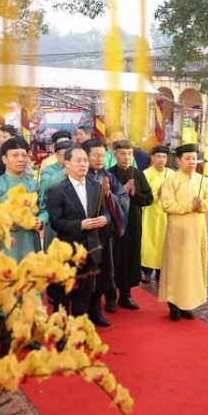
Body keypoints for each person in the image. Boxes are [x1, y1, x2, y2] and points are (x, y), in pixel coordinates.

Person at [46, 146, 112, 324]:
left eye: (85, 160)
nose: (83, 164)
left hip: (91, 248)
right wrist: (80, 225)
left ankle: (77, 333)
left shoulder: (95, 186)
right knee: (63, 295)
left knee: (84, 294)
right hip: (67, 250)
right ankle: (60, 335)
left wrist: (104, 219)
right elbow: (56, 222)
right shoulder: (57, 190)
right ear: (67, 163)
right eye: (78, 160)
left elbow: (105, 211)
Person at [158, 144, 208, 321]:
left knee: (193, 267)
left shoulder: (202, 180)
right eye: (187, 159)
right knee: (177, 268)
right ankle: (174, 305)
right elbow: (167, 205)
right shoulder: (171, 181)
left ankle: (188, 304)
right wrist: (189, 206)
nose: (191, 162)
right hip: (178, 232)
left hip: (197, 230)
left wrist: (201, 206)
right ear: (178, 160)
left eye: (193, 158)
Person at [83, 138, 129, 322]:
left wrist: (109, 195)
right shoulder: (79, 177)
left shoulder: (107, 177)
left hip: (103, 236)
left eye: (102, 155)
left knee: (102, 274)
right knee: (85, 275)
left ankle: (95, 309)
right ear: (85, 156)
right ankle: (81, 311)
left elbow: (123, 198)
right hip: (83, 235)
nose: (100, 159)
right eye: (96, 155)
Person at [107, 140, 154, 310]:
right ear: (115, 154)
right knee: (113, 259)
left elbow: (149, 199)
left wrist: (134, 195)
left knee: (130, 257)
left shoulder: (139, 174)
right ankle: (111, 296)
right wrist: (122, 192)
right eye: (122, 153)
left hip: (133, 223)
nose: (126, 157)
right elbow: (104, 201)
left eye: (129, 154)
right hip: (115, 224)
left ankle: (125, 295)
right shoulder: (108, 174)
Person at [0, 137, 43, 261]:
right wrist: (11, 222)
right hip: (5, 243)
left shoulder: (34, 185)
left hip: (31, 241)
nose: (21, 159)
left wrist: (41, 221)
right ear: (4, 159)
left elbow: (45, 209)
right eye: (15, 155)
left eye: (24, 155)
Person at [141, 145, 174, 283]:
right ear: (152, 158)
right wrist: (157, 194)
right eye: (158, 156)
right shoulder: (145, 174)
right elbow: (142, 196)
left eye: (164, 157)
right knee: (149, 242)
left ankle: (162, 271)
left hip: (167, 214)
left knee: (165, 243)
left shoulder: (172, 174)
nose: (161, 160)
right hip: (150, 213)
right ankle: (146, 271)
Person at [38, 140, 72, 250]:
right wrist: (63, 173)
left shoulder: (78, 168)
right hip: (55, 215)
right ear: (57, 155)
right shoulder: (49, 170)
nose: (68, 158)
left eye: (70, 154)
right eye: (65, 155)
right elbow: (44, 186)